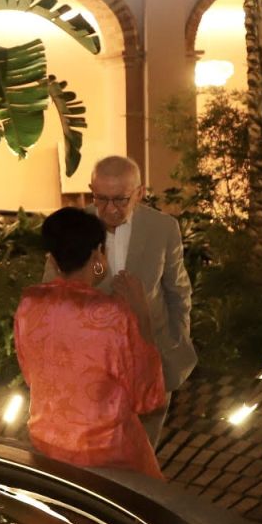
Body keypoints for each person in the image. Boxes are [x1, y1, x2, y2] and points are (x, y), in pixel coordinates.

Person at [14, 208, 167, 478]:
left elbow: (31, 374)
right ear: (98, 252)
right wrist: (141, 316)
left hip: (47, 443)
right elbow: (147, 396)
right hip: (105, 454)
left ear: (52, 257)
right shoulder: (112, 314)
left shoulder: (30, 302)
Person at [84, 156, 194, 445]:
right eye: (101, 199)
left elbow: (178, 291)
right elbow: (54, 292)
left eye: (120, 199)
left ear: (139, 193)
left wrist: (176, 340)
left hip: (150, 355)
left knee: (144, 454)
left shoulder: (163, 228)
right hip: (92, 364)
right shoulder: (75, 228)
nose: (109, 209)